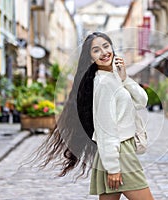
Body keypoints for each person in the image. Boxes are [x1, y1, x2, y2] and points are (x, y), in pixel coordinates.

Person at [33, 32, 154, 200]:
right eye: (96, 50)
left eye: (106, 46)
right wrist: (113, 169)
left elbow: (142, 101)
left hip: (112, 154)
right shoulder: (103, 84)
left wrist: (125, 79)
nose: (104, 52)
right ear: (90, 58)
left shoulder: (114, 77)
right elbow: (106, 129)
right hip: (119, 155)